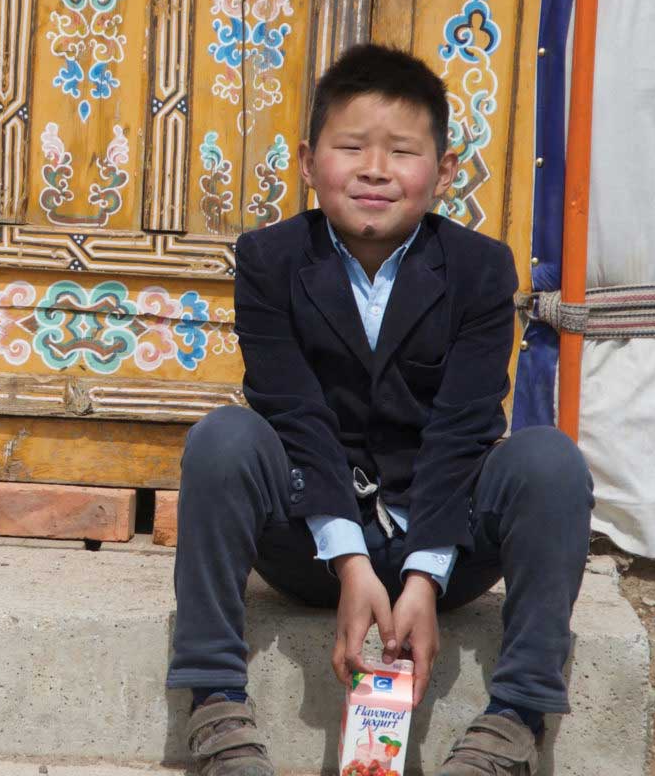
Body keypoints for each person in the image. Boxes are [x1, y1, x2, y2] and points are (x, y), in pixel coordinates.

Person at [167, 44, 594, 776]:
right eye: (350, 147)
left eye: (402, 151)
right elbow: (291, 411)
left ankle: (515, 720)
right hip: (311, 544)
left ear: (446, 171)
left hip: (444, 542)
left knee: (549, 461)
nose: (374, 169)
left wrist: (424, 576)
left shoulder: (480, 268)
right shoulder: (269, 260)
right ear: (307, 161)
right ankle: (215, 705)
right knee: (225, 438)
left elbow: (465, 426)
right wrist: (352, 563)